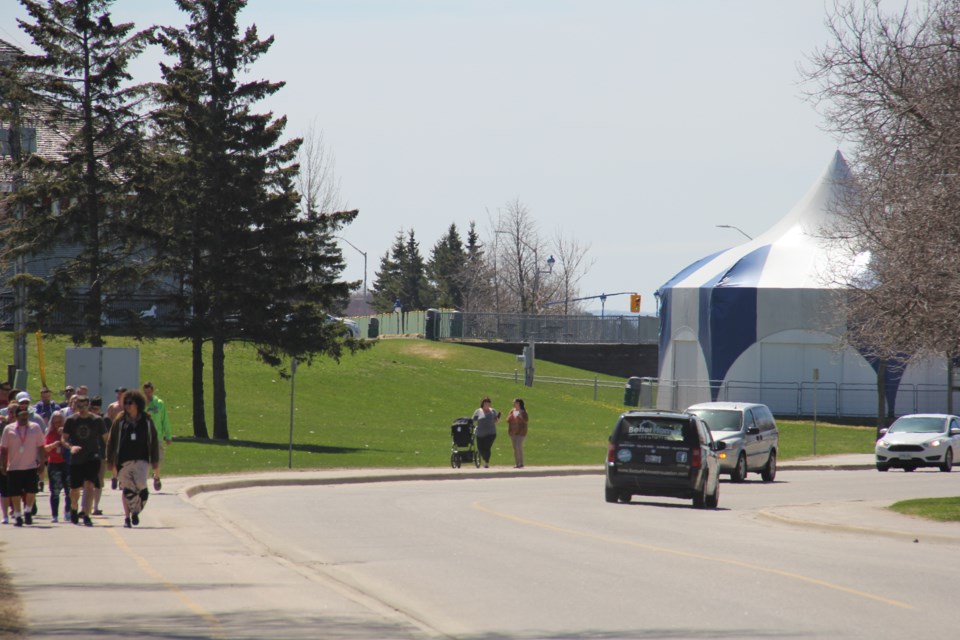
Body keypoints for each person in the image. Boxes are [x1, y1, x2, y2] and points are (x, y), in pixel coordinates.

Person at [107, 390, 159, 528]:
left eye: (130, 403)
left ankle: (136, 509)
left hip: (142, 460)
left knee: (141, 486)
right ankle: (127, 518)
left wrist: (155, 461)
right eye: (126, 403)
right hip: (123, 461)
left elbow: (153, 441)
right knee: (127, 489)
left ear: (138, 404)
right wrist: (110, 460)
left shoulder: (147, 421)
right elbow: (111, 440)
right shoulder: (120, 420)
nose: (128, 405)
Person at [61, 395, 107, 526]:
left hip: (92, 457)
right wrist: (71, 447)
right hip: (77, 459)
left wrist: (107, 453)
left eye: (84, 406)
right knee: (75, 489)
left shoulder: (97, 420)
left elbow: (106, 438)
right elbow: (63, 439)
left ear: (89, 406)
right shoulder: (71, 420)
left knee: (90, 485)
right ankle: (74, 508)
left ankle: (86, 514)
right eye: (79, 406)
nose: (82, 409)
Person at [0, 404, 46, 526]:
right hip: (14, 467)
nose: (25, 418)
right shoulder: (8, 429)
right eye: (22, 415)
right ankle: (18, 514)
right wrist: (2, 465)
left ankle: (28, 511)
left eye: (26, 415)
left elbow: (41, 447)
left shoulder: (35, 428)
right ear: (16, 416)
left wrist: (42, 462)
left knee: (31, 491)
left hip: (30, 466)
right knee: (15, 493)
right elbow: (4, 449)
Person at [142, 382, 170, 490]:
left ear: (152, 391)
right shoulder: (142, 404)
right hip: (145, 437)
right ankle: (143, 482)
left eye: (149, 392)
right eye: (145, 392)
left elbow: (165, 420)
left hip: (157, 437)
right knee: (145, 460)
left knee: (158, 459)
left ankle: (156, 476)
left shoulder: (159, 403)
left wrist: (168, 436)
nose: (147, 394)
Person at [43, 411, 69, 523]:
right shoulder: (49, 433)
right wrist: (54, 445)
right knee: (55, 491)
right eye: (56, 422)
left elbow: (72, 445)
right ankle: (54, 514)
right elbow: (45, 448)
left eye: (60, 421)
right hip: (54, 463)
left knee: (69, 490)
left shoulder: (68, 432)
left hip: (66, 463)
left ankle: (68, 512)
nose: (58, 424)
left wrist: (64, 435)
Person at [88, 397, 110, 516]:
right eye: (92, 408)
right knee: (88, 481)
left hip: (101, 455)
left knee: (99, 482)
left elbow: (107, 439)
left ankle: (95, 506)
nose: (94, 411)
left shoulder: (104, 420)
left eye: (96, 409)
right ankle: (87, 506)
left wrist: (108, 455)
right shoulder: (87, 419)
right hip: (88, 455)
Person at [471, 396, 500, 468]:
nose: (487, 405)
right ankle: (484, 458)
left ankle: (486, 462)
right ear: (483, 404)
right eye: (486, 403)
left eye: (488, 403)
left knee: (487, 447)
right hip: (480, 433)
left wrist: (497, 420)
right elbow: (473, 419)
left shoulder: (493, 411)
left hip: (491, 433)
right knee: (480, 448)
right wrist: (472, 425)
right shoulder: (478, 411)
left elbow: (496, 420)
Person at [507, 398, 529, 468]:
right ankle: (517, 463)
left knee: (518, 446)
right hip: (513, 432)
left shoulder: (523, 412)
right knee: (515, 448)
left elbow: (526, 421)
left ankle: (521, 463)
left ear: (519, 404)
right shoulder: (512, 411)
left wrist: (520, 416)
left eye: (515, 403)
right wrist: (511, 417)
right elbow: (508, 420)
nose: (514, 404)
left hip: (521, 432)